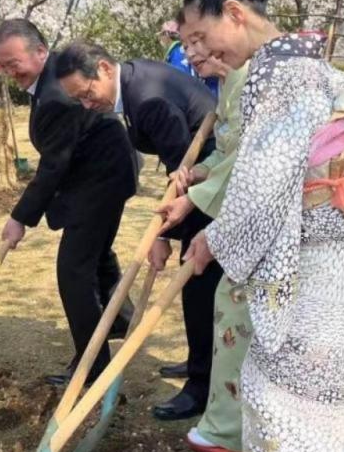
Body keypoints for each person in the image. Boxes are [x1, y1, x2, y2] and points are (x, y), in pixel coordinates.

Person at [180, 0, 344, 452]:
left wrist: (213, 239)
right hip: (337, 244)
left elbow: (264, 181)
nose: (199, 53)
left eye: (202, 37)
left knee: (283, 393)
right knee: (324, 391)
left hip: (313, 252)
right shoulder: (308, 65)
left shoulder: (279, 75)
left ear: (235, 13)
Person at [56, 40, 221, 421]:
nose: (87, 105)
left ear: (104, 69)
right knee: (195, 281)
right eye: (78, 99)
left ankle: (202, 384)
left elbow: (181, 168)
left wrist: (162, 235)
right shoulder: (131, 83)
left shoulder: (147, 99)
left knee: (198, 280)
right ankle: (200, 360)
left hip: (210, 177)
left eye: (87, 94)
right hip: (194, 176)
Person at [0, 19, 136, 386]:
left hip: (100, 179)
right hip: (101, 173)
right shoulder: (52, 76)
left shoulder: (59, 92)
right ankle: (119, 319)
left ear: (40, 52)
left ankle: (93, 367)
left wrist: (19, 218)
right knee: (95, 254)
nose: (10, 72)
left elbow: (53, 166)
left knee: (74, 271)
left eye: (14, 63)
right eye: (3, 65)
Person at [158, 22, 252, 452]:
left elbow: (247, 158)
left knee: (228, 304)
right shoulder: (227, 82)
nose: (190, 52)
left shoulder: (253, 80)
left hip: (251, 212)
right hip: (225, 203)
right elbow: (225, 151)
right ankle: (210, 387)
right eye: (185, 43)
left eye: (198, 41)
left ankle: (228, 417)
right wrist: (198, 171)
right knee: (211, 298)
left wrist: (194, 199)